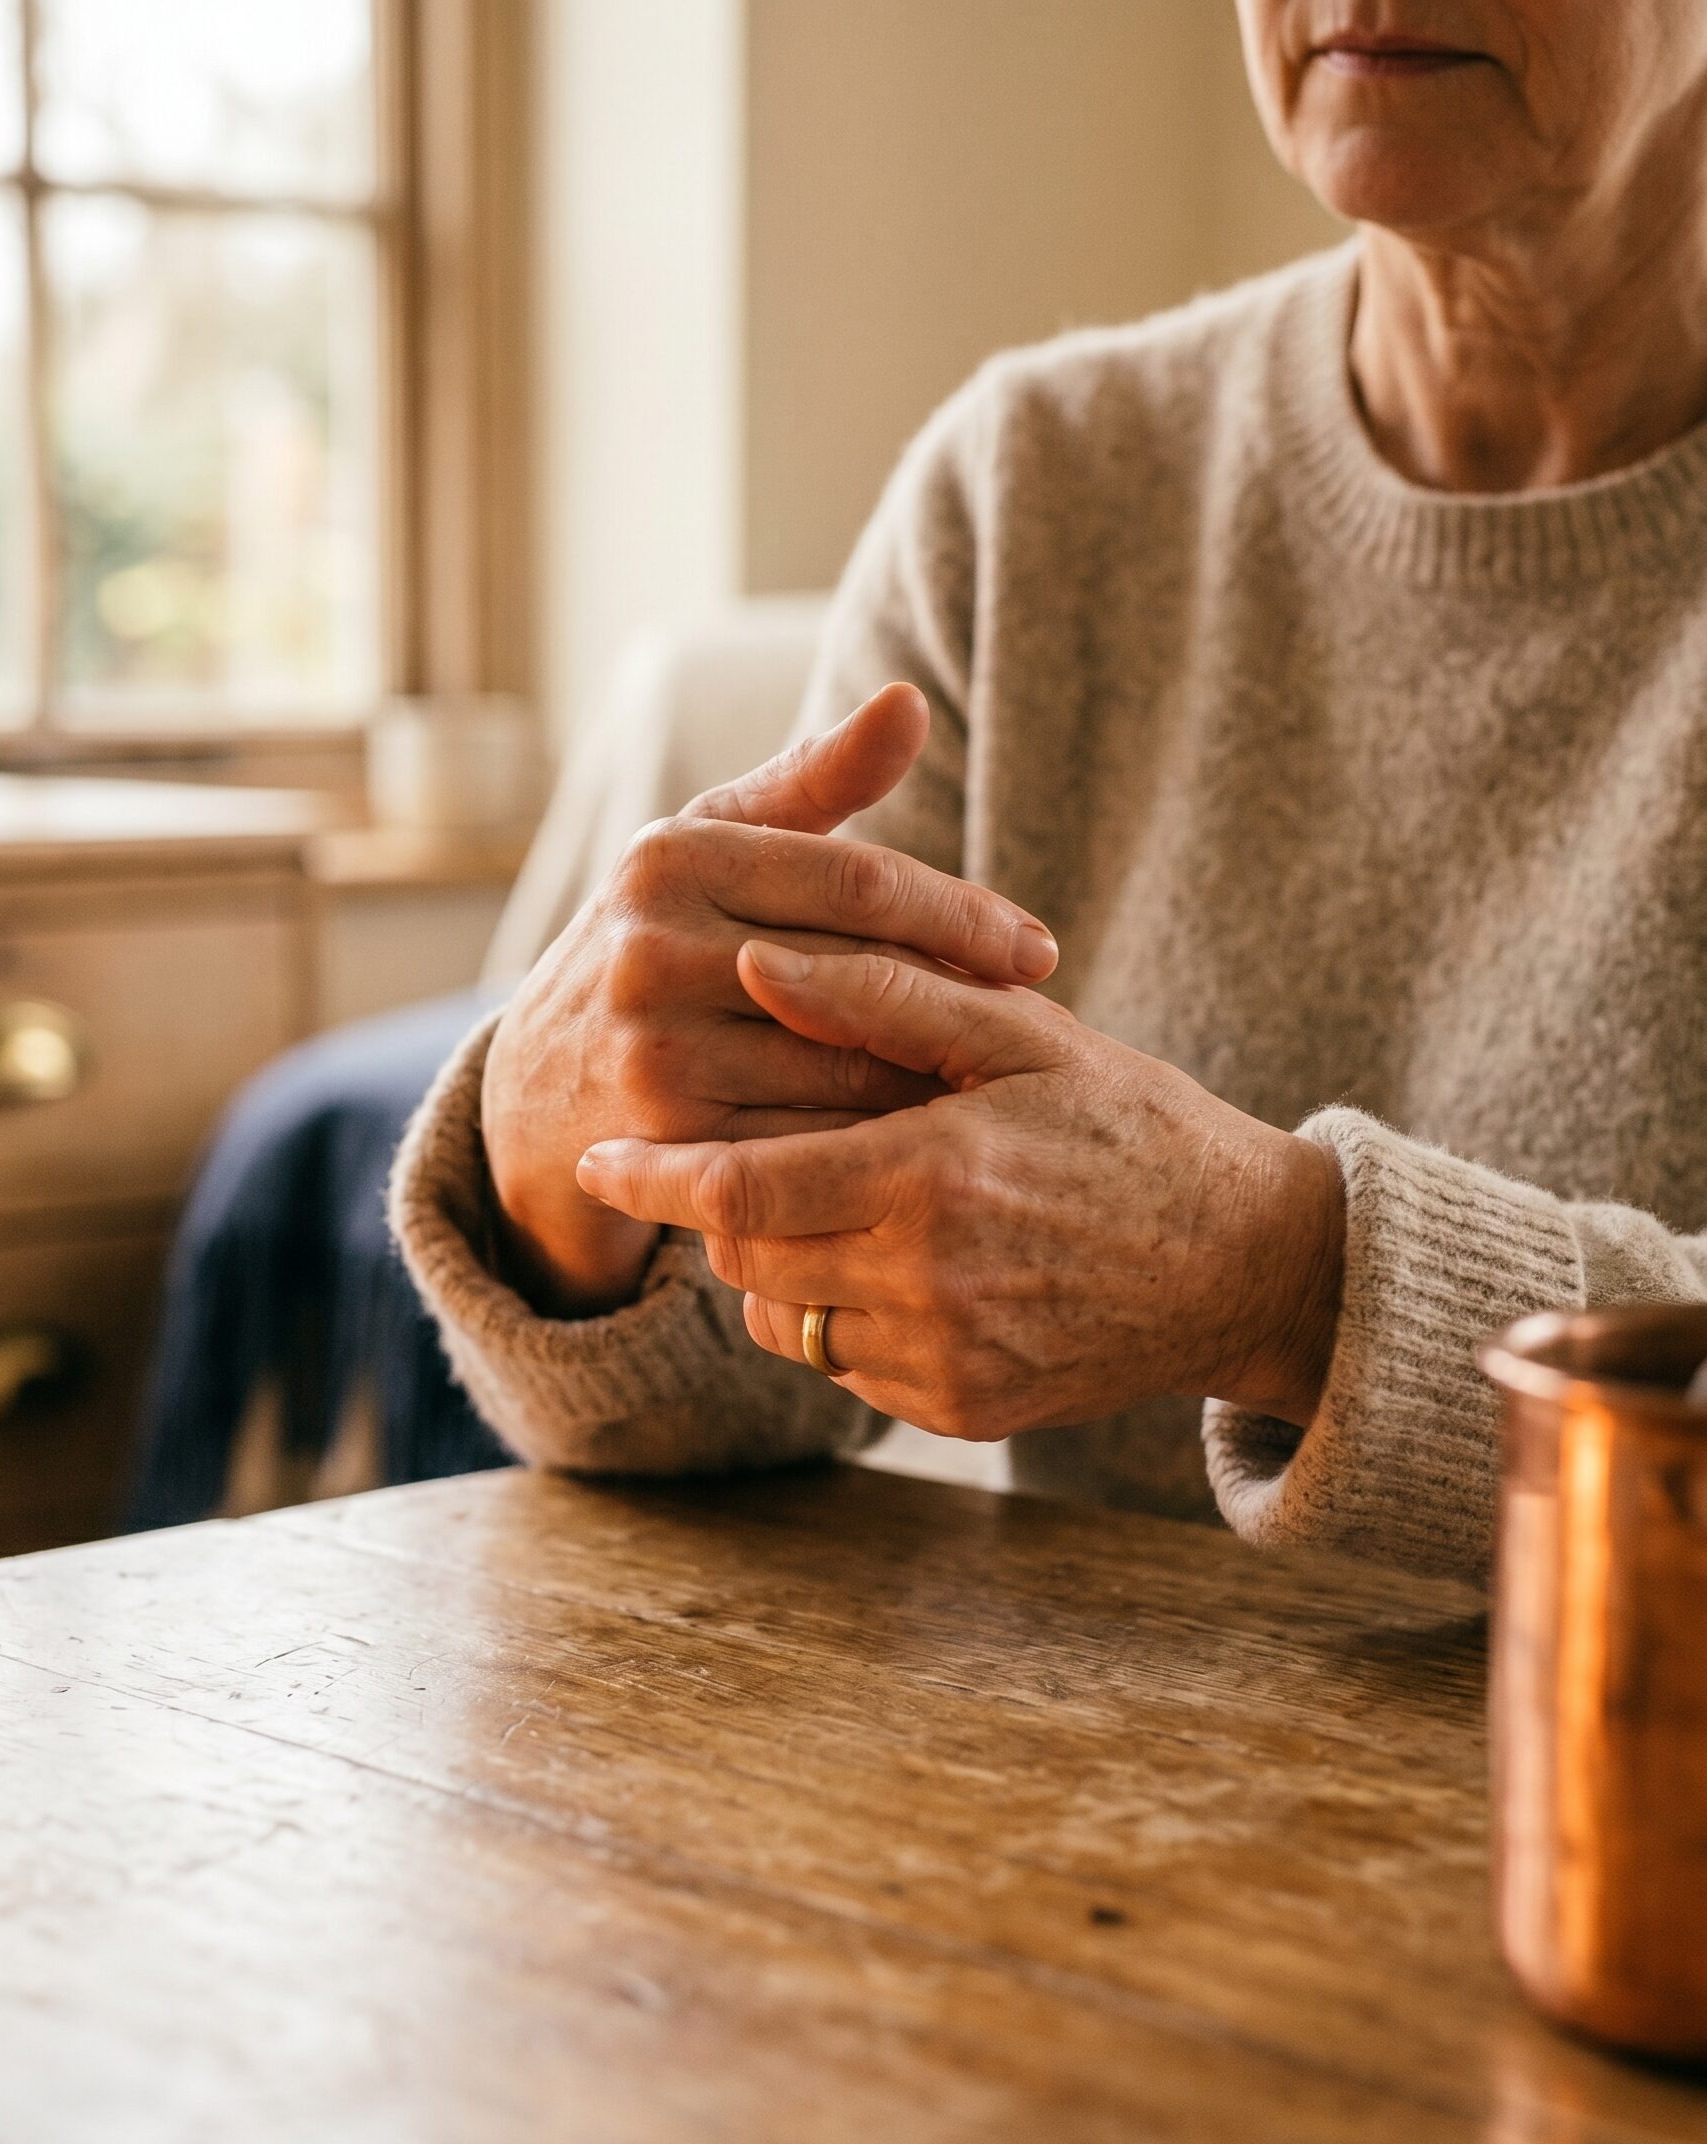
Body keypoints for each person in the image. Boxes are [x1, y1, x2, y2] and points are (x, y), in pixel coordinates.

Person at [394, 0, 1707, 1580]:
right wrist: (571, 1177)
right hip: (1070, 1795)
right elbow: (731, 1399)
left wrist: (1294, 1290)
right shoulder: (1034, 488)